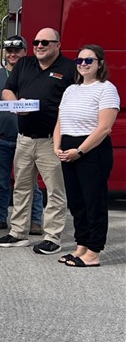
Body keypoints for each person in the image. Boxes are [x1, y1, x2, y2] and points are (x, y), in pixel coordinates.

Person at [0, 27, 76, 255]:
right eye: (37, 42)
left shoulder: (69, 69)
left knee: (55, 191)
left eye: (45, 43)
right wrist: (15, 104)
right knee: (21, 188)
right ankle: (18, 233)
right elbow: (7, 91)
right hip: (25, 139)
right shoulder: (24, 64)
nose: (39, 46)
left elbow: (75, 102)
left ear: (57, 45)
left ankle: (52, 237)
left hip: (52, 141)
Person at [53, 45, 120, 267]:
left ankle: (93, 251)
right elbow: (60, 121)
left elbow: (104, 128)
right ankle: (81, 244)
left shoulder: (106, 89)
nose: (83, 64)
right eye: (79, 60)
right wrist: (57, 146)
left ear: (100, 63)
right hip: (68, 149)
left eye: (89, 60)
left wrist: (80, 151)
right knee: (77, 201)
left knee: (94, 201)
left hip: (91, 151)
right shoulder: (71, 89)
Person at [0, 35, 43, 234]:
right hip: (2, 139)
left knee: (30, 183)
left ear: (25, 52)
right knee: (1, 182)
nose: (12, 54)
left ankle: (34, 221)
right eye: (9, 51)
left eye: (17, 50)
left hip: (28, 138)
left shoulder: (35, 75)